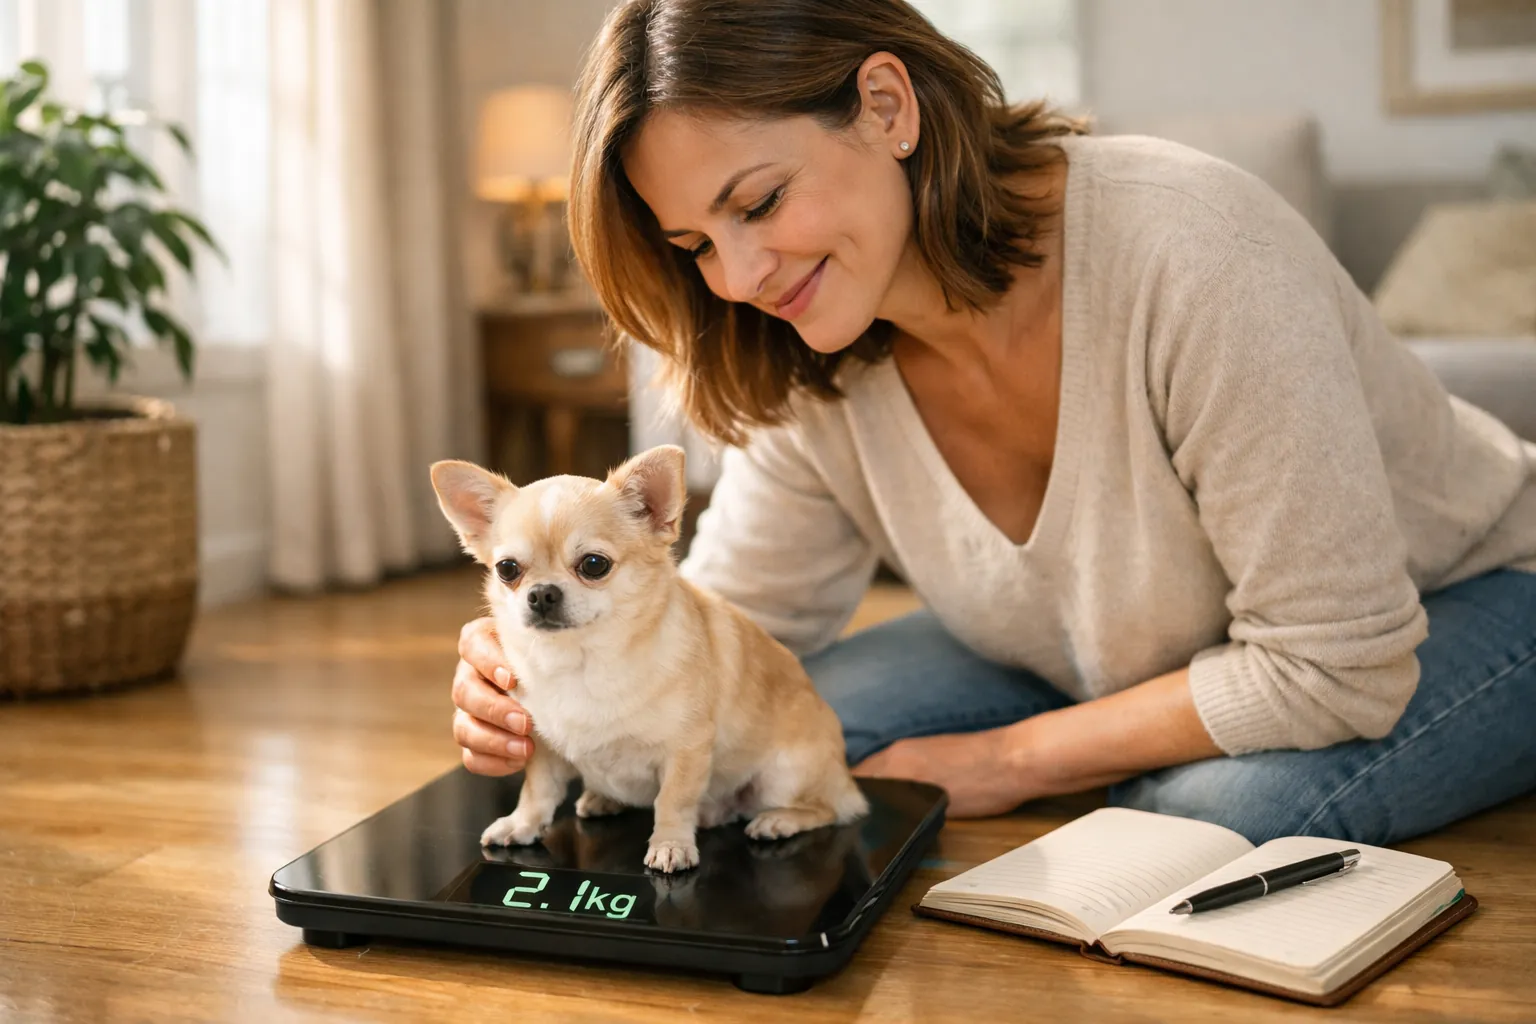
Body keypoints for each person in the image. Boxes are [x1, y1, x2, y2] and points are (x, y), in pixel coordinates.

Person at [449, 0, 1536, 847]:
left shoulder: (1198, 250)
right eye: (693, 244)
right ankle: (1119, 759)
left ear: (887, 106)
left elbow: (1336, 665)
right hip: (1086, 651)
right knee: (778, 733)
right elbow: (726, 629)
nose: (735, 277)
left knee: (1220, 806)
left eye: (761, 201)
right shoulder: (808, 355)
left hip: (1460, 602)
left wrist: (1013, 760)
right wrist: (551, 664)